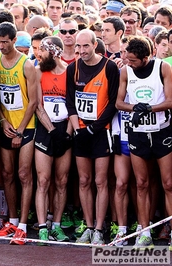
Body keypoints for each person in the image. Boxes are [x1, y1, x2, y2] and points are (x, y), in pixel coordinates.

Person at [115, 36, 172, 249]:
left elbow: (170, 101)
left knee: (168, 183)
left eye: (133, 60)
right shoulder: (125, 72)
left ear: (145, 58)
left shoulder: (162, 68)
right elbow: (119, 103)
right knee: (141, 184)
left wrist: (148, 108)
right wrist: (134, 108)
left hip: (161, 132)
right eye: (127, 58)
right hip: (138, 133)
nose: (128, 63)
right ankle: (144, 230)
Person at [66, 29, 119, 245]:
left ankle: (99, 228)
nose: (81, 51)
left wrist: (94, 128)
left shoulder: (109, 67)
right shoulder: (73, 68)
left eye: (85, 46)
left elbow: (114, 103)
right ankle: (88, 226)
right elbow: (70, 101)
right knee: (84, 180)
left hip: (101, 131)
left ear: (95, 45)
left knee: (100, 180)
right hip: (80, 131)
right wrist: (77, 128)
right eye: (78, 47)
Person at [0, 22, 37, 245]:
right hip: (5, 126)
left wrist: (20, 130)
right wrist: (1, 120)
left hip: (26, 127)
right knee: (7, 174)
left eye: (5, 42)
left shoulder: (26, 65)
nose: (1, 46)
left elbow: (34, 102)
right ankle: (11, 219)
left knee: (24, 174)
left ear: (13, 40)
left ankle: (23, 225)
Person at [34, 36, 72, 243]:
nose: (39, 54)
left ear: (55, 52)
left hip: (64, 127)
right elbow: (38, 105)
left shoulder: (70, 73)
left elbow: (73, 105)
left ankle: (56, 225)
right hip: (45, 129)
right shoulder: (39, 71)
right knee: (43, 180)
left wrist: (65, 133)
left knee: (62, 181)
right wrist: (51, 130)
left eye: (43, 51)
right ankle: (42, 227)